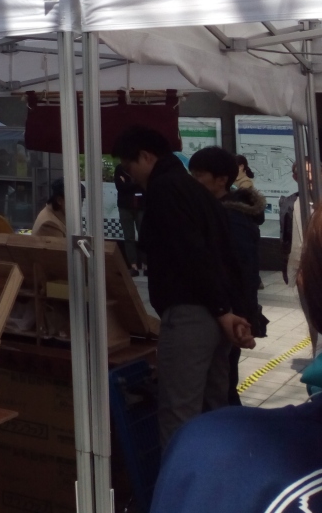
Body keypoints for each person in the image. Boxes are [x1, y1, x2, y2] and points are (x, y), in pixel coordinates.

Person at [150, 203, 322, 513]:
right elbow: (241, 270)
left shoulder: (215, 452)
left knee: (186, 405)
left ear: (306, 287)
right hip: (225, 316)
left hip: (207, 318)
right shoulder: (234, 216)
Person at [113, 125, 254, 449]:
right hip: (217, 316)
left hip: (191, 315)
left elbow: (191, 253)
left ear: (146, 157)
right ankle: (217, 479)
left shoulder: (165, 189)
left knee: (180, 417)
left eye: (129, 164)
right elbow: (228, 259)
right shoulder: (198, 192)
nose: (128, 174)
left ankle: (181, 482)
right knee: (213, 411)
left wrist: (222, 311)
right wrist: (230, 312)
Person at [188, 145, 269, 405]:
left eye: (199, 175)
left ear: (221, 180)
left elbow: (242, 270)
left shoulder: (231, 218)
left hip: (230, 311)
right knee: (220, 381)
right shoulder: (213, 210)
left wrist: (243, 315)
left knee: (223, 383)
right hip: (221, 308)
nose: (193, 181)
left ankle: (229, 426)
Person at [113, 162, 145, 273]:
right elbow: (120, 187)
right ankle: (133, 265)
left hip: (141, 206)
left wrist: (128, 184)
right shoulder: (119, 168)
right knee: (128, 237)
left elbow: (144, 187)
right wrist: (135, 184)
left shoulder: (140, 167)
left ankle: (146, 264)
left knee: (144, 236)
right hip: (125, 207)